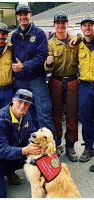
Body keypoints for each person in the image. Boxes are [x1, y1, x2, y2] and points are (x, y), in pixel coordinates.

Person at [10, 4, 55, 135]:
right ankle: (34, 143)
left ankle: (51, 146)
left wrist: (24, 66)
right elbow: (12, 57)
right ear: (17, 17)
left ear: (30, 15)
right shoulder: (14, 35)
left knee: (43, 114)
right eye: (20, 14)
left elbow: (42, 56)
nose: (23, 17)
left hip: (36, 80)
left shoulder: (39, 33)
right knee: (26, 114)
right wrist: (14, 73)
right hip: (20, 81)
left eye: (25, 14)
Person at [45, 12, 79, 162]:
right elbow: (47, 69)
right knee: (56, 115)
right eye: (58, 23)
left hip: (72, 81)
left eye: (63, 23)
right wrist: (49, 63)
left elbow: (87, 36)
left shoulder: (76, 40)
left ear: (67, 23)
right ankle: (57, 144)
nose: (60, 25)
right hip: (56, 81)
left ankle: (70, 145)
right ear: (54, 25)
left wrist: (80, 37)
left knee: (72, 114)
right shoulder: (50, 43)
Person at [77, 16, 94, 163]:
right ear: (81, 28)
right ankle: (88, 147)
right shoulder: (78, 46)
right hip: (84, 86)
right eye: (85, 25)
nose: (87, 28)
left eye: (90, 25)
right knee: (86, 118)